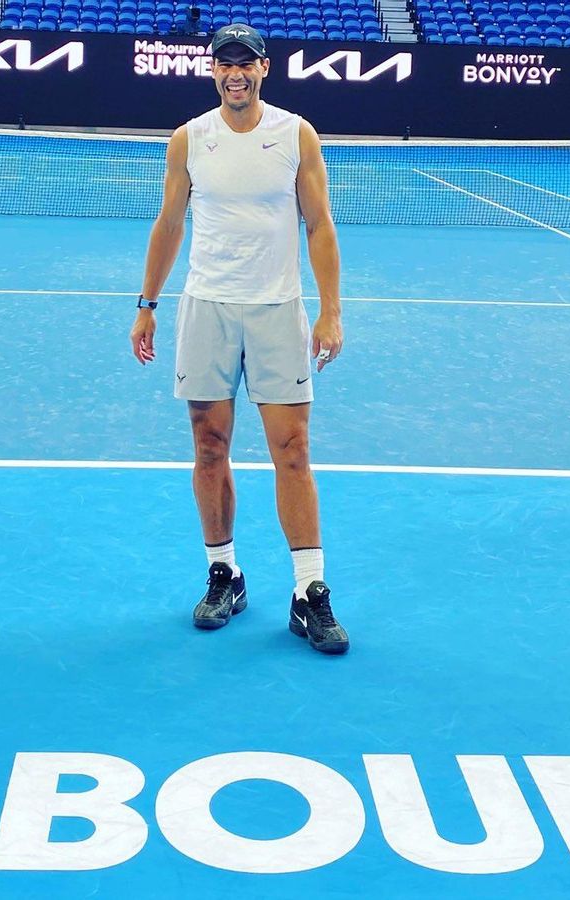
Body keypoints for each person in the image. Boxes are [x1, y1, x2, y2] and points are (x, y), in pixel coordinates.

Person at [128, 23, 350, 655]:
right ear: (213, 71)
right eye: (225, 64)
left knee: (292, 449)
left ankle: (310, 592)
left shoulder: (295, 133)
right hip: (207, 307)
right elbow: (170, 222)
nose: (236, 73)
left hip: (278, 309)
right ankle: (225, 573)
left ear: (263, 69)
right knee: (209, 445)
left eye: (245, 63)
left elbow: (320, 225)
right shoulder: (190, 139)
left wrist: (330, 311)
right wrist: (147, 305)